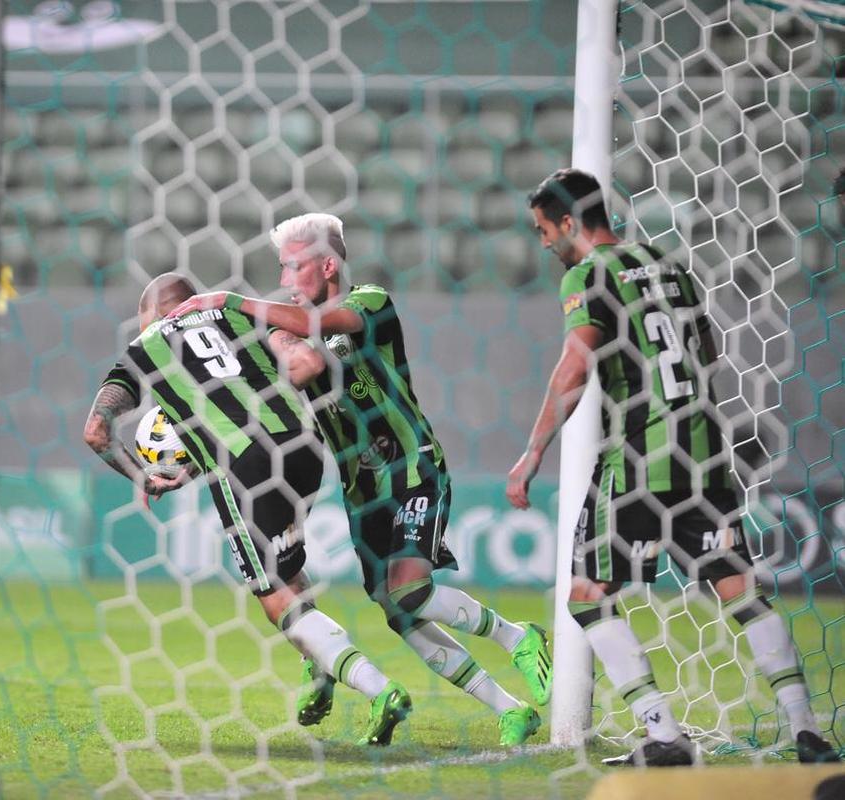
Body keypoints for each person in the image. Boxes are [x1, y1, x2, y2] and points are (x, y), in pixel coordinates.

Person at [165, 213, 551, 747]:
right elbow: (277, 383)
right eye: (282, 267)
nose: (286, 277)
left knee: (410, 589)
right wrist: (189, 458)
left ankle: (520, 637)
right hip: (361, 489)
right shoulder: (288, 324)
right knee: (400, 613)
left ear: (327, 264)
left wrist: (232, 304)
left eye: (294, 265)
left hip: (412, 469)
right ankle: (512, 710)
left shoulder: (370, 301)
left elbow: (333, 329)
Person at [506, 168, 840, 766]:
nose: (544, 244)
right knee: (740, 589)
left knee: (586, 595)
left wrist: (532, 453)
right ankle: (806, 730)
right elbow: (707, 352)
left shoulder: (589, 275)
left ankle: (663, 736)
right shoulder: (670, 265)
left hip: (638, 455)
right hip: (704, 454)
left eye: (543, 231)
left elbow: (574, 368)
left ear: (567, 223)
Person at [84, 272, 413, 746]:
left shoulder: (145, 347)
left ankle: (379, 689)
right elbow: (304, 361)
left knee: (273, 595)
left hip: (245, 467)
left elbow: (96, 431)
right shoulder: (244, 317)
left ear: (151, 316)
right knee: (286, 569)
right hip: (301, 450)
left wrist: (142, 476)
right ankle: (317, 666)